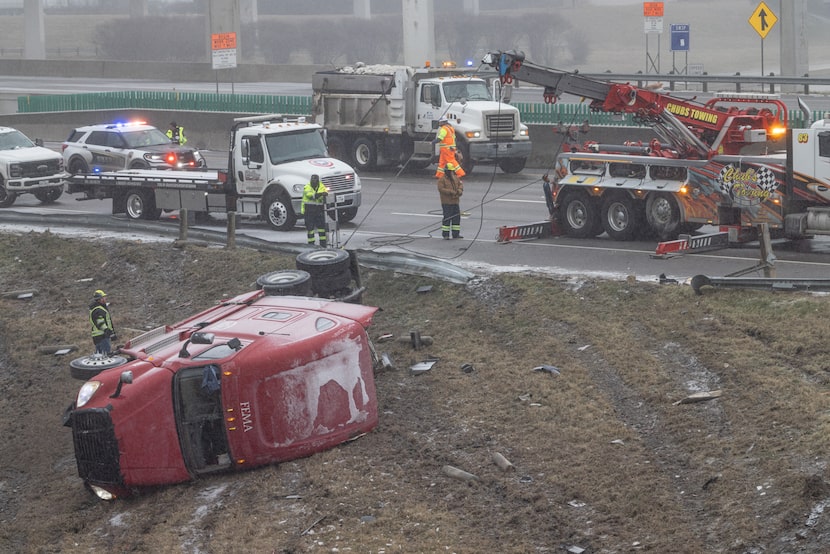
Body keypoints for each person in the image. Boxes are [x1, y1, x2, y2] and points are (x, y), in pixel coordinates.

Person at [301, 174, 328, 247]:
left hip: (319, 209)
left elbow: (325, 195)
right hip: (309, 210)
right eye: (312, 179)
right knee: (310, 228)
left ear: (318, 180)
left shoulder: (322, 186)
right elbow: (310, 196)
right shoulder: (307, 187)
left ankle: (323, 244)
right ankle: (311, 245)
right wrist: (321, 194)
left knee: (321, 228)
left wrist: (323, 194)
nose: (313, 181)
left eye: (315, 179)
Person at [436, 167, 464, 239]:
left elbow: (460, 185)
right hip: (447, 202)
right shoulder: (442, 180)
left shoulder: (456, 178)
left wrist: (459, 190)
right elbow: (441, 189)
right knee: (447, 218)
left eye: (452, 171)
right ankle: (446, 235)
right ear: (447, 171)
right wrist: (450, 192)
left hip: (455, 202)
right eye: (450, 171)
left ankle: (456, 234)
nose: (452, 173)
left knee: (456, 218)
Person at [89, 289, 116, 355]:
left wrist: (112, 333)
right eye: (103, 297)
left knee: (100, 355)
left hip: (99, 336)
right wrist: (107, 330)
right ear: (100, 299)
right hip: (102, 336)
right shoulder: (98, 309)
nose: (105, 298)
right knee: (105, 356)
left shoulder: (97, 308)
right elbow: (100, 322)